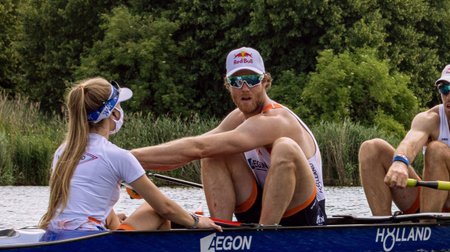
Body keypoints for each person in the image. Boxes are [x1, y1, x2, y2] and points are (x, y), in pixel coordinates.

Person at [133, 47, 326, 226]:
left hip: (305, 215)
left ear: (265, 82)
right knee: (213, 153)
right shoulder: (237, 118)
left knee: (285, 147)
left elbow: (198, 147)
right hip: (262, 209)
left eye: (252, 80)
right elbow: (191, 151)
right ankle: (220, 232)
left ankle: (265, 234)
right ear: (227, 85)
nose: (245, 88)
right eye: (236, 82)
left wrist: (126, 157)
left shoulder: (278, 119)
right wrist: (133, 165)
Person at [39, 78, 220, 240]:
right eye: (119, 105)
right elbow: (165, 208)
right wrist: (196, 222)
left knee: (115, 218)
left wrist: (113, 220)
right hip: (88, 241)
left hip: (55, 235)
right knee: (154, 210)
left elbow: (87, 200)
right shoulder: (118, 156)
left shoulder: (63, 152)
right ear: (113, 113)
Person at [359, 62, 450, 215]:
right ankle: (381, 224)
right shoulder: (429, 118)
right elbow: (410, 143)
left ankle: (426, 223)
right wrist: (400, 162)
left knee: (436, 150)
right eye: (444, 89)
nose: (449, 97)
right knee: (371, 148)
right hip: (433, 199)